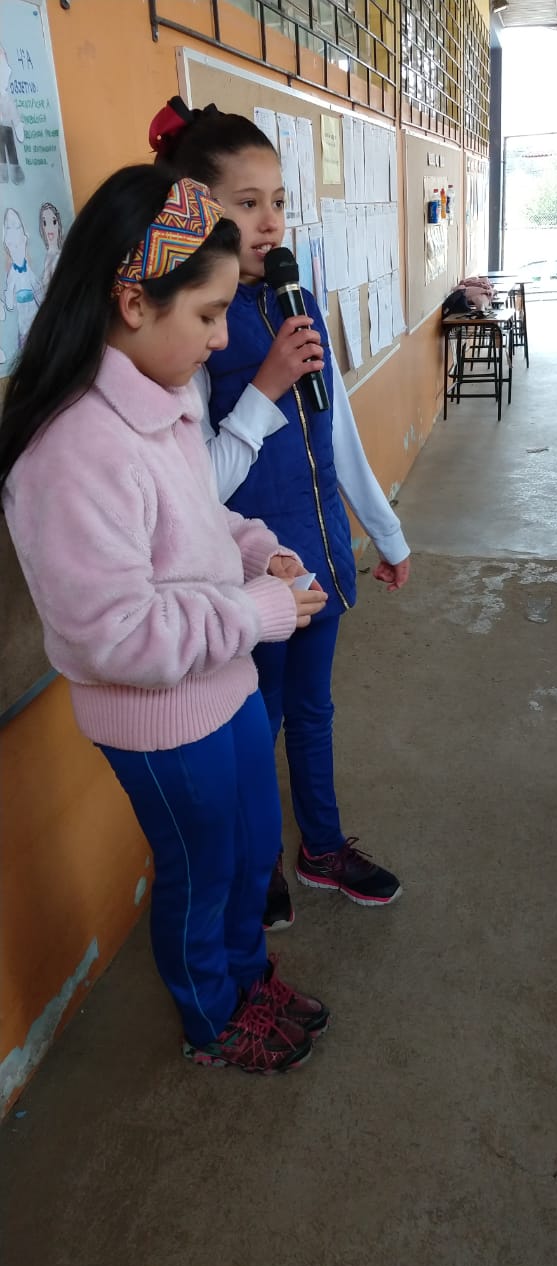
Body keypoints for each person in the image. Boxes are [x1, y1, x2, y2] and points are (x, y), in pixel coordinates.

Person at [0, 164, 331, 1073]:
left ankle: (247, 977)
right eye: (208, 315)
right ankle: (213, 1021)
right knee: (202, 871)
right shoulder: (69, 450)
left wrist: (260, 549)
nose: (225, 339)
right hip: (157, 715)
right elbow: (115, 634)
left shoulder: (169, 396)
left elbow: (198, 517)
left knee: (254, 845)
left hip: (221, 687)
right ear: (135, 303)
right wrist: (258, 607)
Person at [149, 98, 411, 931]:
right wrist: (260, 391)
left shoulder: (297, 299)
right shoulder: (196, 333)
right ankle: (258, 865)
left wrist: (386, 532)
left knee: (313, 712)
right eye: (246, 202)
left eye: (279, 201)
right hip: (252, 582)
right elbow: (200, 492)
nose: (268, 222)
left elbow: (334, 435)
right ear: (197, 209)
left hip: (321, 560)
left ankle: (322, 847)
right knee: (251, 727)